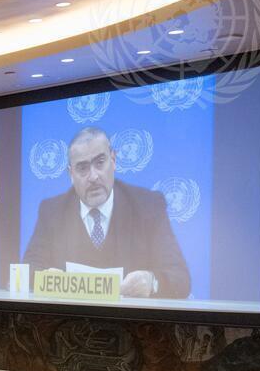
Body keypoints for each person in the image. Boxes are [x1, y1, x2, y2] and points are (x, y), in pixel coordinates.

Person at [21, 126, 191, 299]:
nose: (93, 176)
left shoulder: (148, 206)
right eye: (82, 168)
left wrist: (152, 282)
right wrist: (44, 277)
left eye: (100, 163)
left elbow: (180, 278)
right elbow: (28, 270)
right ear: (71, 174)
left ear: (113, 161)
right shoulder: (52, 211)